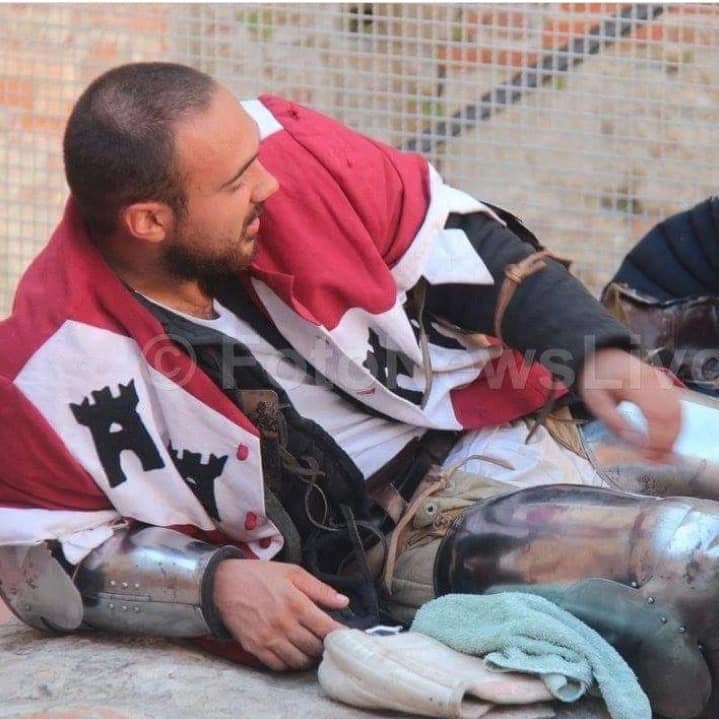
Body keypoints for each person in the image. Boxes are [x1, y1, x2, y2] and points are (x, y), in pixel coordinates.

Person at [0, 62, 715, 718]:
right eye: (237, 181)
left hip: (517, 413)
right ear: (150, 221)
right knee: (694, 558)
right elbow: (34, 559)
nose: (268, 183)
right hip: (419, 532)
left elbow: (456, 239)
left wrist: (596, 352)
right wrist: (214, 585)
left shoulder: (287, 147)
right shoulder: (46, 363)